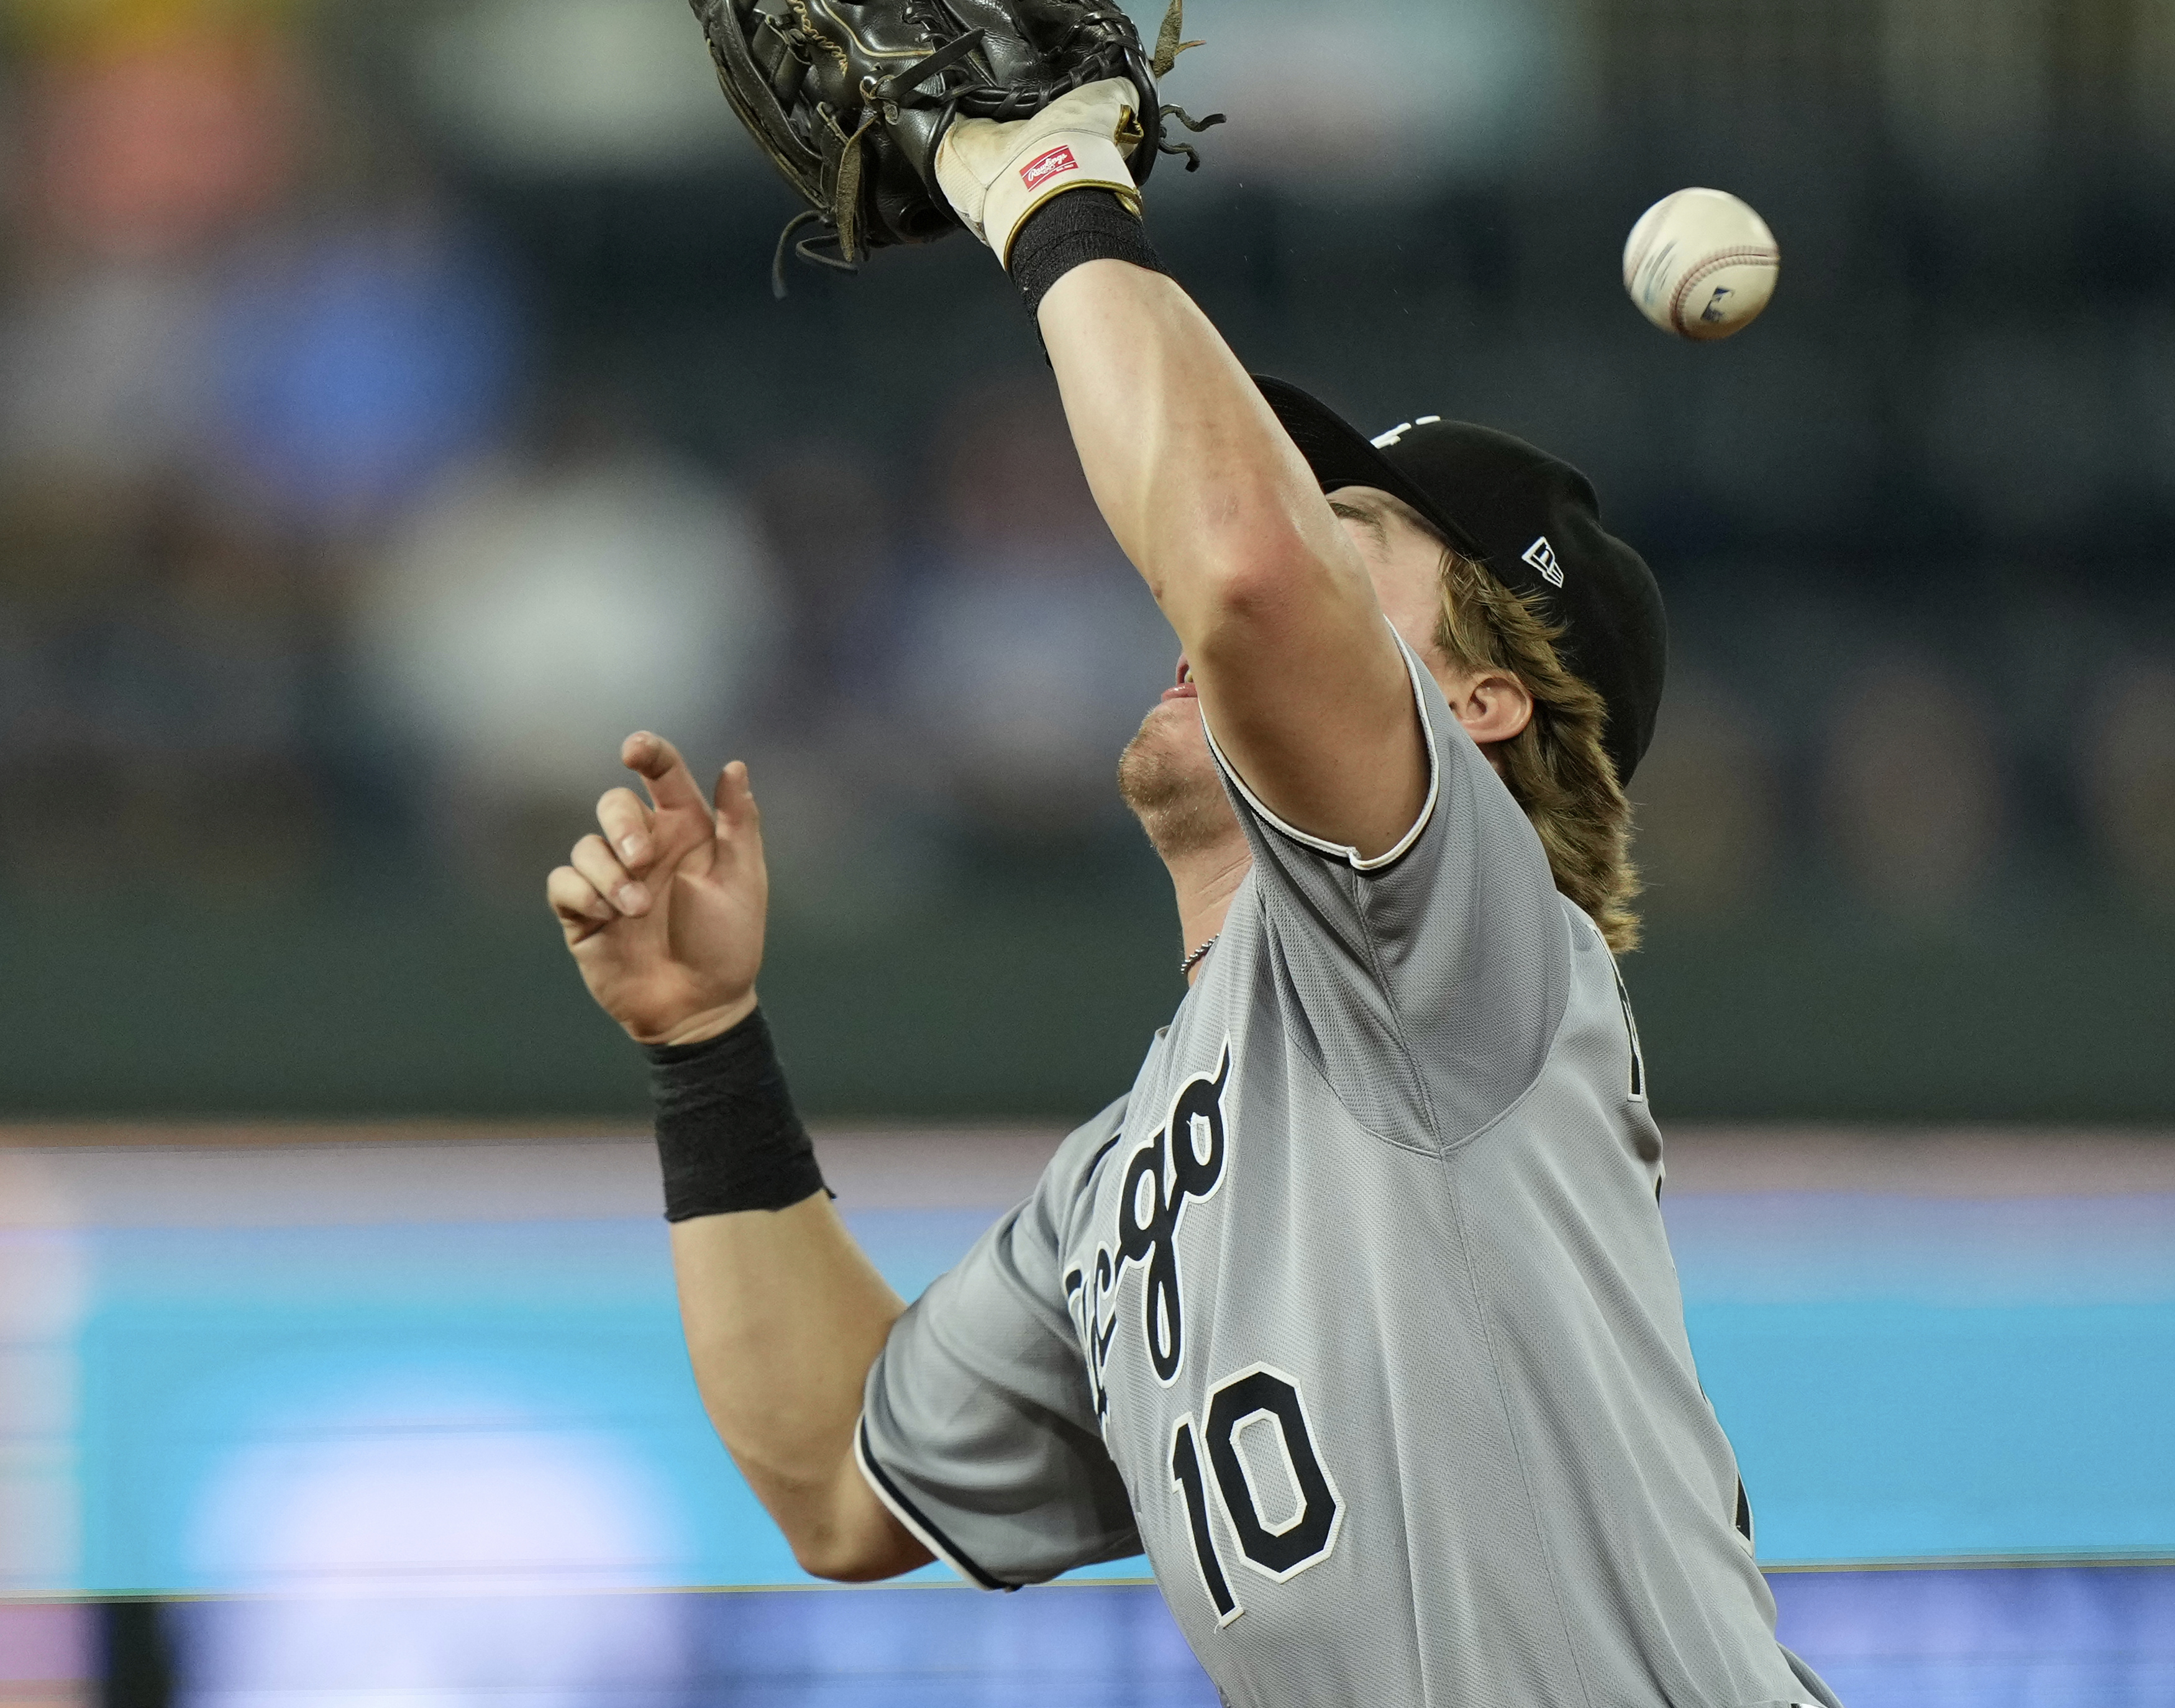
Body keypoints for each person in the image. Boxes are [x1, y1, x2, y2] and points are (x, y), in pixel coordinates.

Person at [546, 101, 1838, 1704]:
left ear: (1482, 704)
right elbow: (834, 1478)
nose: (1224, 548)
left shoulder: (1455, 956)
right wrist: (706, 1045)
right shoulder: (1127, 1176)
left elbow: (1242, 575)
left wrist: (1053, 195)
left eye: (1345, 527)